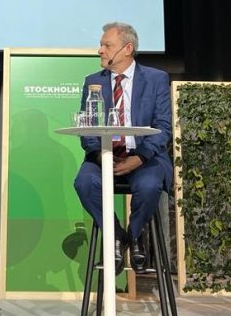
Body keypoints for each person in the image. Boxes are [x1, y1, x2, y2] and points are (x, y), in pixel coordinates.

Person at [73, 22, 173, 274]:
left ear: (127, 49)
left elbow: (163, 126)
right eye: (101, 45)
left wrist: (139, 158)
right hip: (103, 157)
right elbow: (88, 128)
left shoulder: (155, 79)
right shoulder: (93, 82)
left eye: (107, 45)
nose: (100, 50)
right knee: (84, 184)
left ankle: (136, 231)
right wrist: (101, 157)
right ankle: (118, 235)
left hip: (144, 157)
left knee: (149, 185)